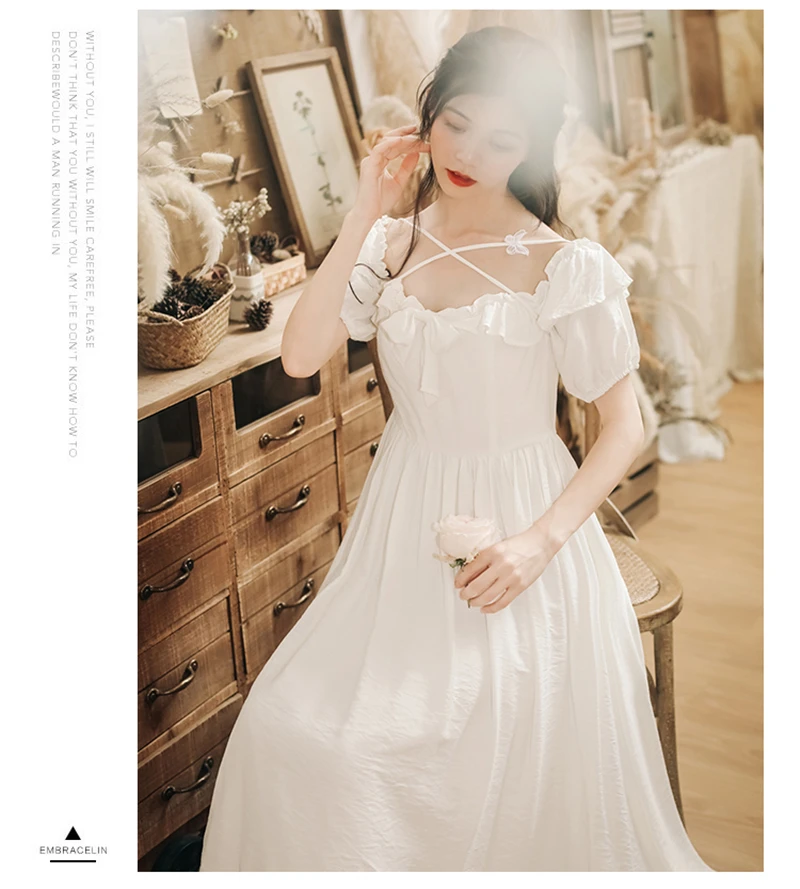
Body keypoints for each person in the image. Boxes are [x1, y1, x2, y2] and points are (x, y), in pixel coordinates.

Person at [199, 26, 714, 872]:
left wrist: (537, 543)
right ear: (427, 116)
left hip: (526, 530)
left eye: (503, 139)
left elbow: (625, 424)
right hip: (400, 526)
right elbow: (299, 354)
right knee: (288, 728)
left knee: (461, 743)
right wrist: (364, 210)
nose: (470, 152)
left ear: (533, 147)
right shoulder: (388, 244)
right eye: (457, 123)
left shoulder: (563, 262)